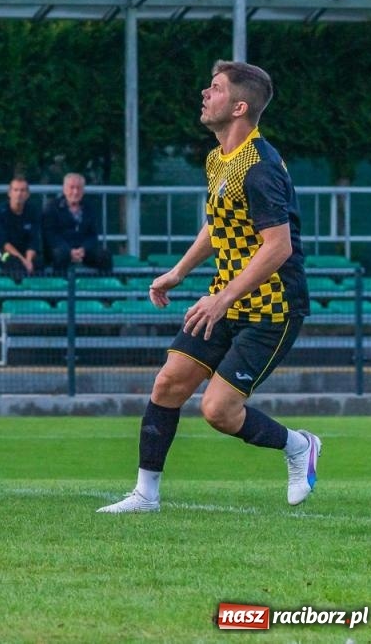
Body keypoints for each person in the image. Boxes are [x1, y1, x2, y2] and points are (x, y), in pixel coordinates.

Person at [99, 61, 319, 514]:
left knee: (218, 411)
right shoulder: (219, 158)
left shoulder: (259, 167)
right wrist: (179, 272)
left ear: (239, 107)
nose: (205, 93)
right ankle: (146, 495)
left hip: (271, 310)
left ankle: (298, 446)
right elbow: (218, 224)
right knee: (169, 384)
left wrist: (223, 297)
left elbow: (277, 247)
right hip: (224, 299)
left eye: (215, 89)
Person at [42, 172, 112, 273]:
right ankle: (61, 287)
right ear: (64, 189)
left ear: (83, 191)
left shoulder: (89, 208)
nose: (75, 192)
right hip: (61, 249)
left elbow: (93, 235)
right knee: (60, 254)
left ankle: (104, 286)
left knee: (105, 255)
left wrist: (83, 249)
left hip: (83, 251)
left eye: (79, 188)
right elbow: (50, 235)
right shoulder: (52, 207)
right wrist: (69, 251)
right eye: (72, 187)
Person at [0, 176, 41, 281]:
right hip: (2, 249)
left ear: (28, 194)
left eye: (22, 190)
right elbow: (3, 242)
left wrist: (29, 260)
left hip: (24, 250)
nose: (19, 194)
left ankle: (38, 296)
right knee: (14, 265)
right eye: (16, 190)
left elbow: (33, 239)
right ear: (9, 193)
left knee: (39, 263)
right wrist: (23, 260)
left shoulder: (33, 211)